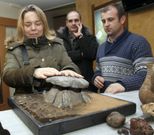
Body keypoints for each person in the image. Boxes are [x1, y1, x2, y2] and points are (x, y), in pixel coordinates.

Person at [2, 4, 82, 94]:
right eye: (28, 25)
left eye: (38, 24)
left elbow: (71, 65)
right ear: (22, 27)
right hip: (26, 102)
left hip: (55, 99)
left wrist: (69, 70)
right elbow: (8, 76)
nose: (33, 28)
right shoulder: (15, 49)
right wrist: (33, 72)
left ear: (44, 25)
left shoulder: (57, 45)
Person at [92, 2, 154, 94]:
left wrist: (122, 84)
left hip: (129, 103)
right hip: (106, 100)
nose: (106, 24)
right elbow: (98, 70)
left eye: (110, 19)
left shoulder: (138, 42)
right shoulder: (101, 47)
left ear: (122, 19)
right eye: (103, 21)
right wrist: (96, 77)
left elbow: (147, 75)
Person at [57, 10, 99, 92]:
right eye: (70, 21)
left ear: (80, 22)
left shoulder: (89, 37)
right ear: (66, 23)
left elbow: (92, 55)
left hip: (87, 83)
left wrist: (81, 37)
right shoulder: (59, 40)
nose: (73, 23)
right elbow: (60, 58)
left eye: (76, 20)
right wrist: (81, 54)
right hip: (66, 84)